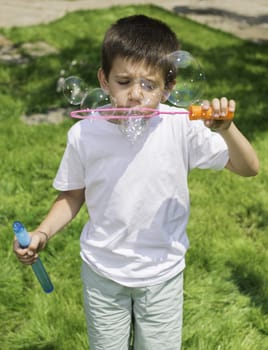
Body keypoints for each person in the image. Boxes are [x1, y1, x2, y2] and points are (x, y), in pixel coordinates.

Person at [13, 15, 259, 350]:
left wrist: (226, 129)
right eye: (124, 81)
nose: (134, 95)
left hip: (162, 273)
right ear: (104, 80)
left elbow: (249, 167)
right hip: (102, 272)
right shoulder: (85, 133)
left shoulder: (181, 127)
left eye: (149, 85)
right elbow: (72, 195)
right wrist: (42, 232)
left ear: (168, 87)